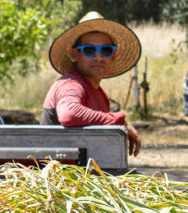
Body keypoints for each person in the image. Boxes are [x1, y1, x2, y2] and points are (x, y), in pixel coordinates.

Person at [42, 11, 142, 156]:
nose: (99, 57)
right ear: (75, 54)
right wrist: (118, 120)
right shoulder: (71, 84)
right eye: (89, 50)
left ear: (113, 56)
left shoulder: (100, 94)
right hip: (62, 174)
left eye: (106, 50)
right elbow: (69, 114)